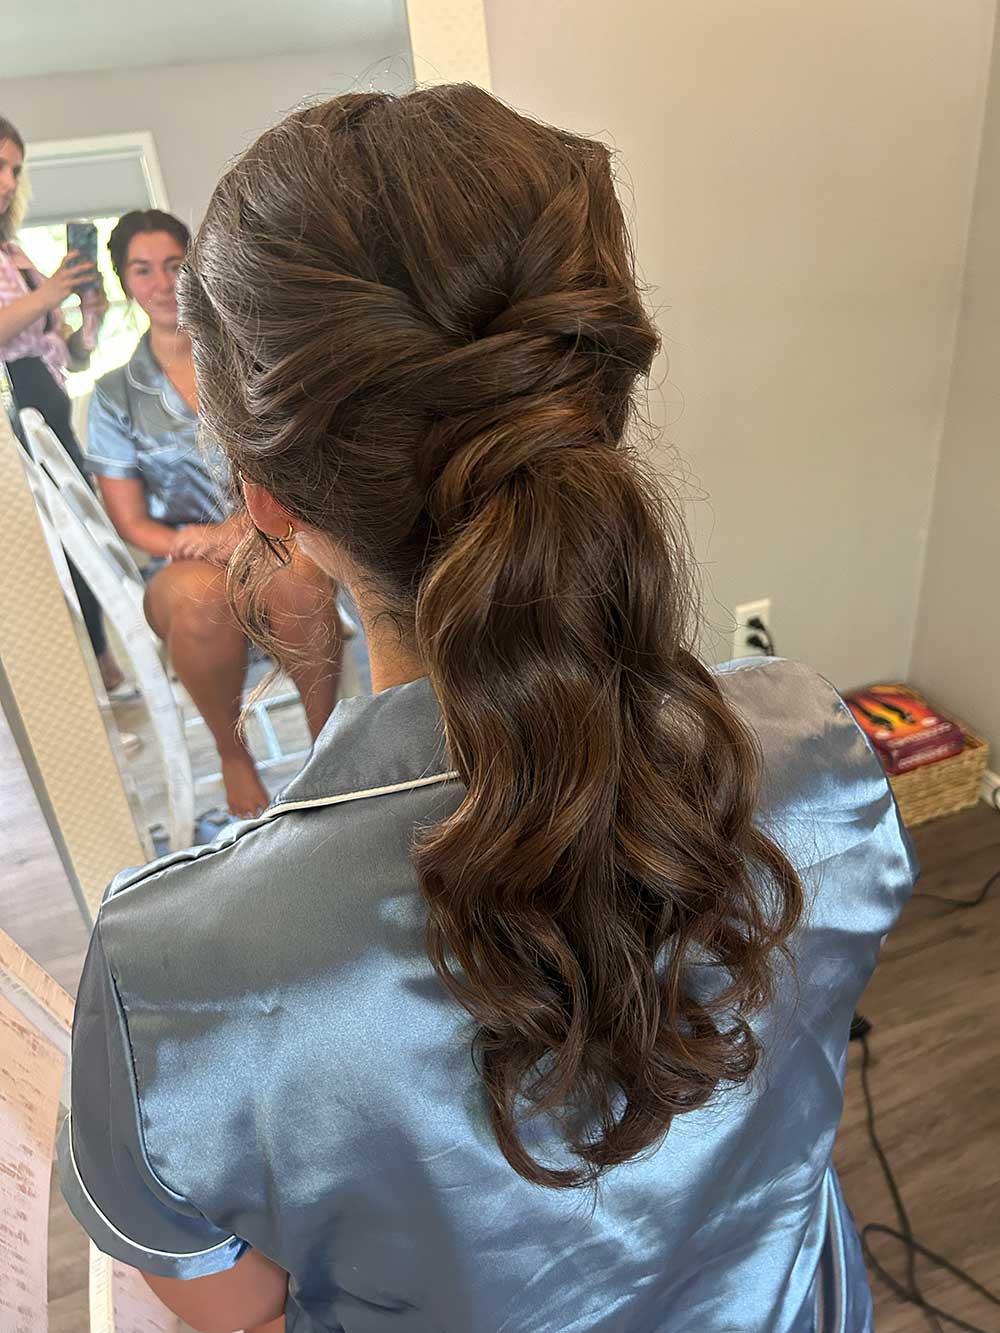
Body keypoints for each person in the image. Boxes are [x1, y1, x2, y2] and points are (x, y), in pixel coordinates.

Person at [58, 87, 915, 1333]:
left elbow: (239, 1311)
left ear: (266, 493)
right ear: (602, 398)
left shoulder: (176, 978)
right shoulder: (820, 761)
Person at [87, 209, 342, 818]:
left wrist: (247, 528)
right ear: (125, 282)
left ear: (195, 268)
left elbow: (295, 463)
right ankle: (234, 757)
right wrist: (201, 540)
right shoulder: (114, 394)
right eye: (142, 270)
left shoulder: (250, 360)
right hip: (181, 561)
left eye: (173, 265)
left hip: (274, 536)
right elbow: (132, 523)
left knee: (301, 580)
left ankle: (331, 753)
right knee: (202, 600)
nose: (161, 283)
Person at [0, 114, 125, 692]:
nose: (8, 181)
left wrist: (88, 318)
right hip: (14, 405)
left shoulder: (13, 252)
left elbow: (70, 356)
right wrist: (50, 291)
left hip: (48, 405)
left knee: (79, 534)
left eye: (15, 169)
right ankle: (71, 678)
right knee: (39, 548)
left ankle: (101, 660)